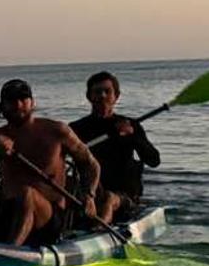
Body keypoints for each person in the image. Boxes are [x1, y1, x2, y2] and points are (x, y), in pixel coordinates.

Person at [0, 78, 103, 246]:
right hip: (8, 213)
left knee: (28, 194)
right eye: (11, 100)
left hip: (48, 218)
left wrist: (89, 196)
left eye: (23, 99)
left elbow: (91, 164)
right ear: (2, 107)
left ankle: (11, 250)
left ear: (32, 102)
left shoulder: (57, 131)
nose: (18, 104)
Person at [68, 71, 160, 224]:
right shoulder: (76, 129)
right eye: (97, 92)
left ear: (116, 96)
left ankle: (101, 231)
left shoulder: (130, 125)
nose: (102, 96)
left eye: (107, 91)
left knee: (109, 199)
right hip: (90, 192)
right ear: (89, 97)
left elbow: (154, 160)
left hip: (123, 195)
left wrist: (133, 136)